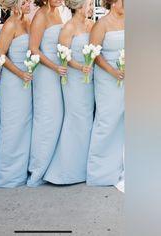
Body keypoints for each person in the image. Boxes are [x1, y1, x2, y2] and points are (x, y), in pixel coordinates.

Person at [44, 0, 95, 184]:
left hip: (90, 79)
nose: (91, 8)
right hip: (74, 80)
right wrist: (81, 67)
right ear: (79, 6)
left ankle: (86, 165)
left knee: (87, 118)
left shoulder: (91, 24)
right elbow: (63, 56)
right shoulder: (68, 28)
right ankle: (68, 168)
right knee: (76, 118)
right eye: (89, 4)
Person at [27, 0, 67, 187]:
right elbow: (34, 49)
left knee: (57, 116)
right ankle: (38, 167)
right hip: (45, 72)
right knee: (47, 117)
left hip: (58, 70)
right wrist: (55, 67)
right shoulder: (40, 16)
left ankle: (52, 164)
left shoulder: (58, 12)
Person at [0, 0, 33, 187]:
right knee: (12, 125)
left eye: (29, 1)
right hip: (13, 80)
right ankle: (7, 174)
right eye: (24, 2)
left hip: (27, 78)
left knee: (25, 124)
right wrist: (20, 74)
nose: (29, 4)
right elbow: (0, 56)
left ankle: (21, 171)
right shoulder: (10, 24)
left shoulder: (27, 21)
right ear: (15, 4)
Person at [86, 0, 125, 186]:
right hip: (108, 78)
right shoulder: (101, 24)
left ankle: (122, 166)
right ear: (113, 3)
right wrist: (112, 71)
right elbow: (94, 54)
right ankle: (100, 171)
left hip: (126, 76)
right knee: (107, 119)